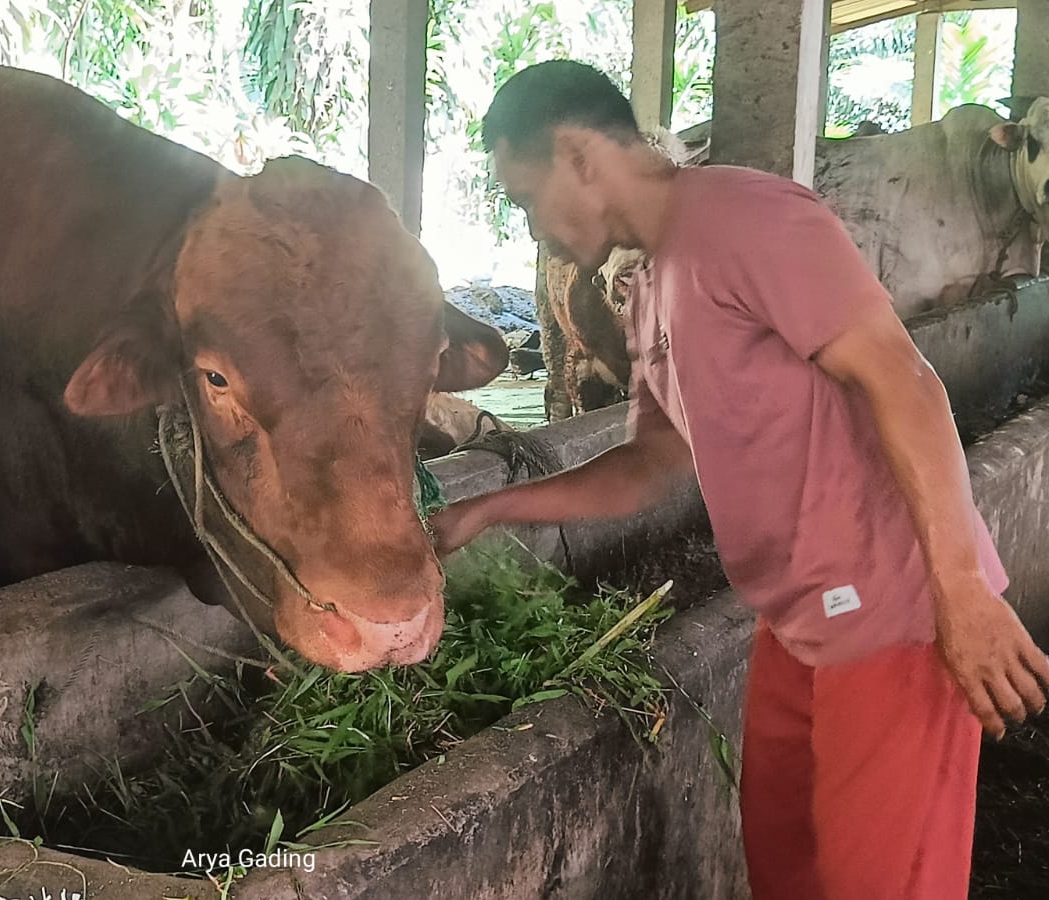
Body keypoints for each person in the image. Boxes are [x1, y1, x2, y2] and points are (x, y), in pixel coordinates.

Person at [427, 59, 1049, 899]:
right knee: (787, 869)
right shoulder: (648, 283)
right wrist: (489, 509)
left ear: (578, 155)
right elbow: (650, 464)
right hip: (797, 623)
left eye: (526, 196)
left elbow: (904, 380)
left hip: (897, 615)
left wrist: (963, 591)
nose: (532, 228)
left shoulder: (746, 216)